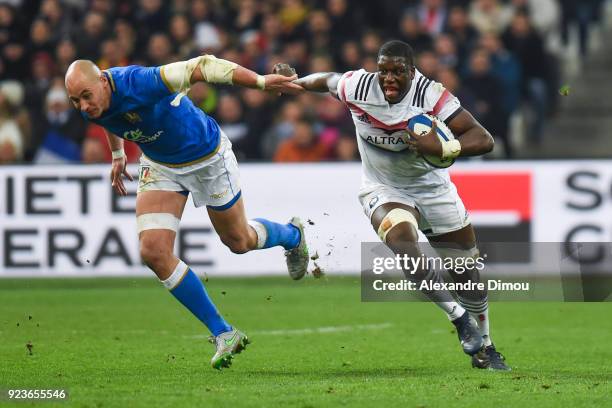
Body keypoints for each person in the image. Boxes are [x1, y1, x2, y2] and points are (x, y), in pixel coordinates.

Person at [64, 56, 309, 370]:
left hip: (207, 157)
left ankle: (293, 234)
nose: (83, 106)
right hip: (161, 166)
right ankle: (223, 332)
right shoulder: (91, 101)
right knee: (152, 251)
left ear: (102, 81)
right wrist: (116, 152)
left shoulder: (141, 81)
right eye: (75, 101)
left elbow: (205, 65)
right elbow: (107, 117)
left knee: (239, 241)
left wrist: (260, 82)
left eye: (86, 96)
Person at [279, 40, 510, 370]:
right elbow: (327, 79)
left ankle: (486, 347)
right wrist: (296, 82)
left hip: (434, 190)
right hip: (384, 188)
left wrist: (447, 148)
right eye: (383, 69)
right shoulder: (358, 86)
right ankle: (459, 319)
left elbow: (483, 139)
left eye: (397, 71)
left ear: (411, 72)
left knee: (467, 275)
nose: (388, 78)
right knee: (402, 240)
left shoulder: (432, 96)